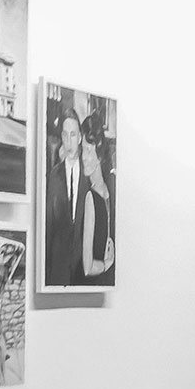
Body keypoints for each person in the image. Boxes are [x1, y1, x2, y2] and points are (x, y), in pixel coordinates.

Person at [44, 105, 89, 286]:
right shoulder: (54, 176)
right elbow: (49, 225)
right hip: (58, 269)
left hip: (82, 270)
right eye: (65, 135)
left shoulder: (89, 174)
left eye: (73, 135)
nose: (69, 141)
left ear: (80, 138)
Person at [79, 113, 116, 284]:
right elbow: (87, 268)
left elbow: (87, 268)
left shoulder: (94, 197)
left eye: (88, 150)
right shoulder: (101, 193)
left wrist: (107, 265)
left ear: (99, 156)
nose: (83, 157)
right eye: (82, 150)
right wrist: (107, 265)